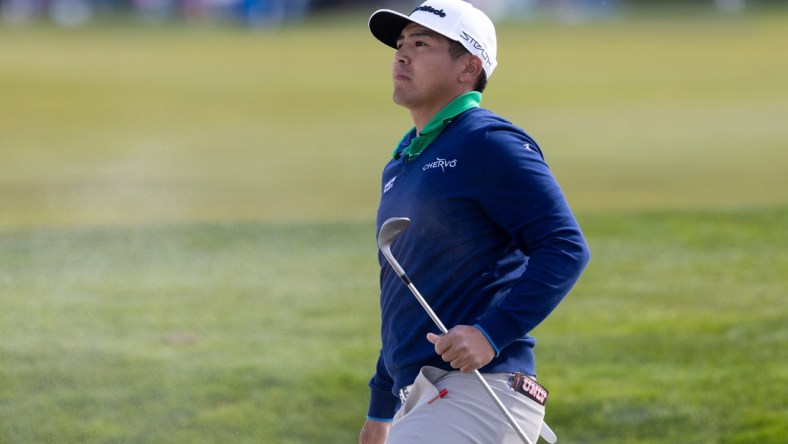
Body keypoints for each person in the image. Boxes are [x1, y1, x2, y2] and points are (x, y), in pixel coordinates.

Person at [360, 1, 591, 443]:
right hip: (428, 398)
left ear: (468, 67)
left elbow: (565, 246)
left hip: (484, 391)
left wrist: (491, 333)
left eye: (422, 43)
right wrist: (381, 407)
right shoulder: (402, 164)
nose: (401, 55)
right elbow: (407, 293)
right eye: (401, 44)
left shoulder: (488, 142)